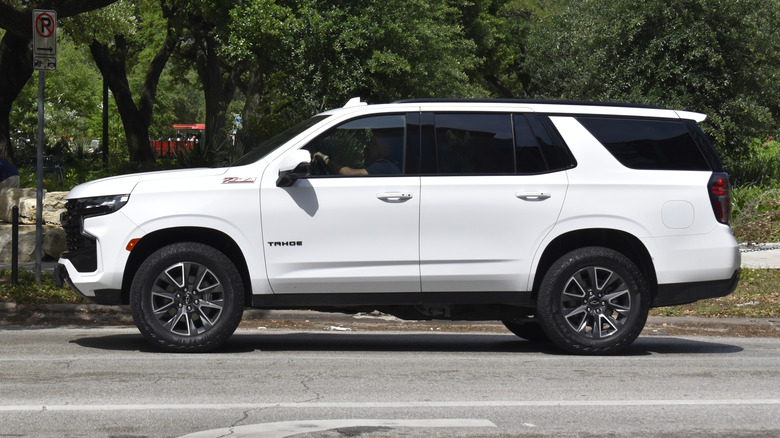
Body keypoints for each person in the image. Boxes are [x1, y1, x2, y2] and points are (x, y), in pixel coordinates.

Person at [314, 133, 401, 175]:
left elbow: (348, 173)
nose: (368, 147)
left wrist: (325, 158)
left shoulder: (384, 166)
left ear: (387, 149)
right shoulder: (389, 165)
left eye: (374, 144)